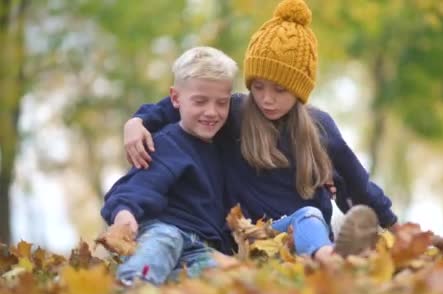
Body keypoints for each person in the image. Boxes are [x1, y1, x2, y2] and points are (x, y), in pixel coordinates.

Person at [122, 0, 398, 262]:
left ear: (300, 91)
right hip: (248, 239)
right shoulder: (234, 113)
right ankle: (328, 258)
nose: (267, 99)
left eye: (280, 90)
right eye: (258, 87)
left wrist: (395, 228)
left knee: (310, 215)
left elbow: (358, 185)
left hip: (304, 236)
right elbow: (181, 105)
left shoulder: (319, 128)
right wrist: (137, 122)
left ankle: (329, 258)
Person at [100, 46, 238, 285]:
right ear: (175, 98)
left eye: (221, 103)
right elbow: (138, 186)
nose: (211, 112)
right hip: (162, 231)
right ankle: (134, 282)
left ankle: (167, 281)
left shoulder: (224, 143)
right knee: (166, 238)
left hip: (199, 247)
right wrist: (125, 213)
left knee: (228, 271)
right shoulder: (166, 143)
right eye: (200, 101)